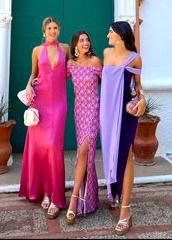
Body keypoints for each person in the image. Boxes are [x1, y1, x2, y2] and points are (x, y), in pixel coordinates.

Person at [19, 16, 70, 219]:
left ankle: (55, 195)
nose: (52, 30)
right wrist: (28, 85)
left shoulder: (65, 49)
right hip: (38, 102)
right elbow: (33, 74)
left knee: (53, 147)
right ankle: (45, 192)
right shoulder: (36, 51)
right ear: (43, 31)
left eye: (55, 27)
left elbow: (74, 67)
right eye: (49, 28)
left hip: (58, 104)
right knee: (39, 147)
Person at [99, 21, 146, 235]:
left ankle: (125, 210)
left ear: (120, 34)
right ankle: (115, 192)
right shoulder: (106, 54)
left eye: (111, 31)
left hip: (125, 114)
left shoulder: (134, 58)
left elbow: (138, 86)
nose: (108, 34)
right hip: (106, 114)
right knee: (111, 153)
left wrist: (142, 100)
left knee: (126, 156)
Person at [65, 30, 102, 225]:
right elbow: (54, 80)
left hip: (94, 111)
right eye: (82, 40)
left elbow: (110, 82)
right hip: (79, 112)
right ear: (75, 45)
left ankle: (73, 200)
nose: (86, 42)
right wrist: (33, 86)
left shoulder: (96, 61)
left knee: (82, 152)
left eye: (88, 39)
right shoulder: (70, 64)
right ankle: (89, 199)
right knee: (84, 156)